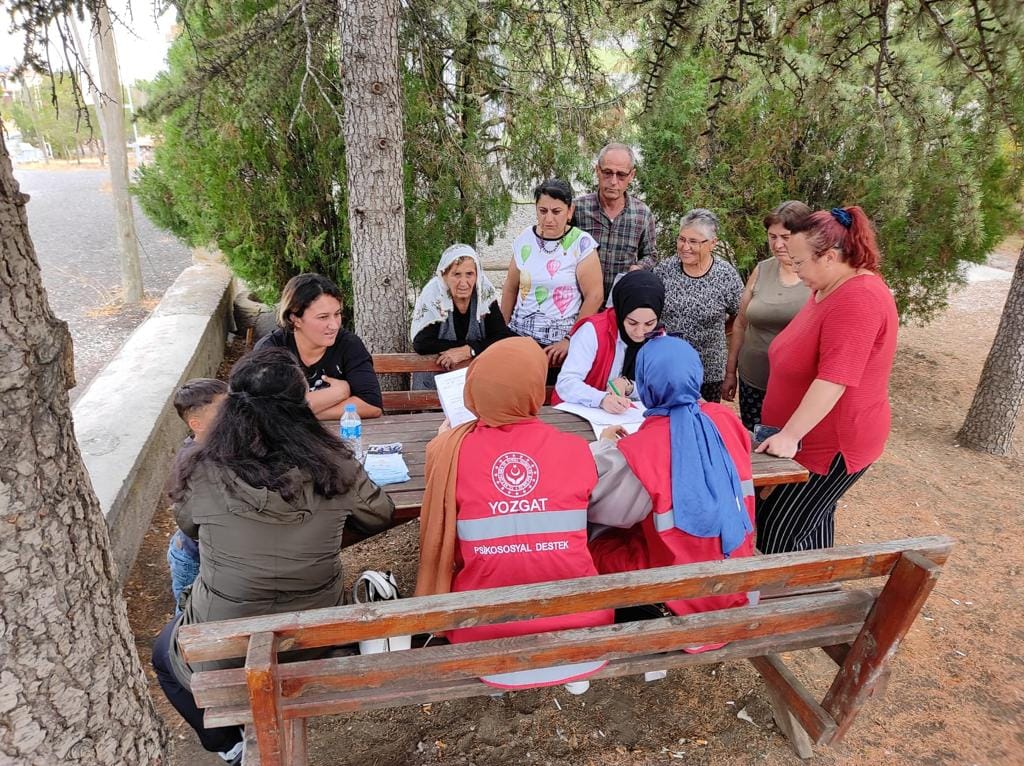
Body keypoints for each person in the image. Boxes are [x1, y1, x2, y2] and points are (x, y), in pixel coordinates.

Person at [151, 348, 395, 763]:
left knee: (164, 654)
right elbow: (380, 515)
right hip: (315, 635)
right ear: (301, 405)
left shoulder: (202, 468)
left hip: (224, 644)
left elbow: (190, 528)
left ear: (233, 407)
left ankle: (226, 746)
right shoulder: (334, 464)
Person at [415, 337, 614, 689]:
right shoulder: (574, 450)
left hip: (483, 636)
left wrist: (442, 438)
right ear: (535, 389)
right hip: (582, 628)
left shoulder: (448, 451)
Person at [587, 336, 756, 650]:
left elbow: (597, 504)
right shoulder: (726, 420)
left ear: (647, 386)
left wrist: (606, 446)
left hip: (682, 595)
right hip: (734, 582)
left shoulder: (641, 449)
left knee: (589, 543)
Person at [755, 206, 898, 554]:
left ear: (830, 257)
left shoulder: (858, 298)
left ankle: (788, 604)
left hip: (830, 446)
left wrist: (790, 435)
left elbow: (834, 379)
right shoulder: (827, 287)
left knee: (780, 533)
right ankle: (815, 593)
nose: (794, 268)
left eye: (800, 262)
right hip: (806, 440)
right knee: (811, 523)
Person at [722, 201, 812, 429]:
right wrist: (731, 371)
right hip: (752, 380)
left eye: (786, 237)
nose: (778, 244)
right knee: (753, 444)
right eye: (772, 237)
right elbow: (741, 323)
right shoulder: (762, 269)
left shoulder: (817, 276)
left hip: (795, 389)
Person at [501, 179, 604, 371]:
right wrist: (501, 330)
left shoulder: (581, 244)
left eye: (556, 212)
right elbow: (510, 287)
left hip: (558, 349)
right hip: (518, 340)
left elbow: (595, 295)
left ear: (570, 211)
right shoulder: (524, 239)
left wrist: (570, 339)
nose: (549, 219)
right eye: (543, 211)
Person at [255, 273, 382, 419]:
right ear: (295, 318)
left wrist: (305, 412)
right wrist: (339, 393)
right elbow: (267, 410)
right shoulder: (271, 350)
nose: (334, 325)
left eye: (337, 314)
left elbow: (372, 405)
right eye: (323, 317)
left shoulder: (348, 344)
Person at [655, 209, 743, 402]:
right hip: (668, 366)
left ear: (713, 243)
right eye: (681, 239)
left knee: (703, 422)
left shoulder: (726, 275)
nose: (685, 247)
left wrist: (721, 329)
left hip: (708, 370)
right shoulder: (664, 270)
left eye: (694, 241)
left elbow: (741, 317)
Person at [553, 270, 665, 413]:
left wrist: (629, 386)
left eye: (649, 323)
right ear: (621, 311)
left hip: (629, 418)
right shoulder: (592, 331)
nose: (640, 332)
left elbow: (660, 386)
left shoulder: (658, 336)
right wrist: (601, 399)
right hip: (579, 417)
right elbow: (566, 383)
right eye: (632, 323)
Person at [410, 243, 512, 388]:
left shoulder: (484, 293)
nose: (463, 283)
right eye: (456, 274)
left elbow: (501, 336)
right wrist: (469, 348)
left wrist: (469, 350)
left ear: (477, 275)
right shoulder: (433, 295)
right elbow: (422, 343)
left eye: (469, 274)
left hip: (476, 381)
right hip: (434, 382)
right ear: (444, 276)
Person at [166, 377, 228, 612]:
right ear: (197, 424)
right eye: (223, 412)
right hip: (191, 557)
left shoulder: (219, 447)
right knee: (188, 612)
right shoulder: (195, 463)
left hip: (202, 549)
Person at [571, 142, 658, 298]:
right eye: (607, 172)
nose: (613, 181)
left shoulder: (642, 214)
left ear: (632, 175)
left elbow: (651, 255)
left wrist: (638, 268)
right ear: (597, 170)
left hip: (621, 303)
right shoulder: (577, 208)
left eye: (621, 175)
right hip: (580, 303)